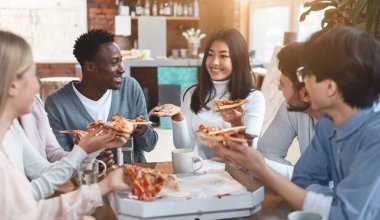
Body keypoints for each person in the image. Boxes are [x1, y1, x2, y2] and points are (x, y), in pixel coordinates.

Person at [208, 27, 380, 219]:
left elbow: (346, 215)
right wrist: (328, 198)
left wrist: (261, 168)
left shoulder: (375, 138)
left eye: (307, 74)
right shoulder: (328, 123)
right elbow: (302, 181)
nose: (304, 83)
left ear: (330, 87)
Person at [0, 30, 131, 219]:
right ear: (13, 84)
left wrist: (93, 150)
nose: (37, 86)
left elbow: (40, 177)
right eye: (32, 74)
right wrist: (82, 151)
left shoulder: (12, 128)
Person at [45, 29, 158, 163]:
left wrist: (143, 131)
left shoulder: (130, 88)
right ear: (90, 67)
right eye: (114, 63)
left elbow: (150, 145)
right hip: (89, 181)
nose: (122, 69)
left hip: (134, 179)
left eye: (121, 61)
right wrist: (89, 158)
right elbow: (57, 159)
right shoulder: (57, 103)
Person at [152, 28, 265, 159]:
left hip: (239, 172)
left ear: (238, 60)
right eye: (210, 54)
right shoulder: (192, 93)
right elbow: (184, 147)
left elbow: (250, 152)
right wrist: (178, 117)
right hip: (204, 170)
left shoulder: (253, 98)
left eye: (223, 56)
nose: (214, 62)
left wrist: (237, 122)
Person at [257, 42, 321, 179]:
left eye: (283, 84)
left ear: (306, 93)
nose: (279, 89)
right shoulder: (294, 106)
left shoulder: (349, 122)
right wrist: (300, 176)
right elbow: (267, 152)